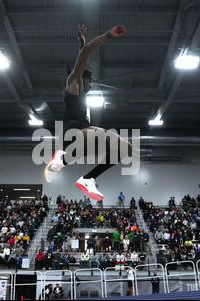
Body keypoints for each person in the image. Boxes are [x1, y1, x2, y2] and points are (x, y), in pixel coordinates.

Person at [44, 24, 130, 202]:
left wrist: (81, 41)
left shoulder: (81, 92)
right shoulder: (73, 84)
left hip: (84, 133)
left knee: (125, 148)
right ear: (82, 78)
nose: (91, 84)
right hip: (72, 131)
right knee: (94, 136)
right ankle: (61, 157)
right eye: (90, 81)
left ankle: (86, 177)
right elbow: (85, 56)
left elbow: (83, 59)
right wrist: (107, 35)